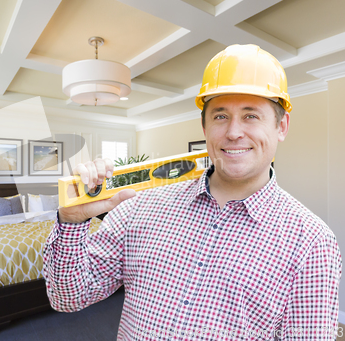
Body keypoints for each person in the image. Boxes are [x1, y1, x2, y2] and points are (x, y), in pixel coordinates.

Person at [43, 44, 342, 340]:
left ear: (282, 126)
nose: (234, 132)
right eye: (220, 116)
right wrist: (72, 221)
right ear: (204, 127)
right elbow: (68, 297)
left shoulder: (311, 243)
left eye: (251, 115)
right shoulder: (140, 207)